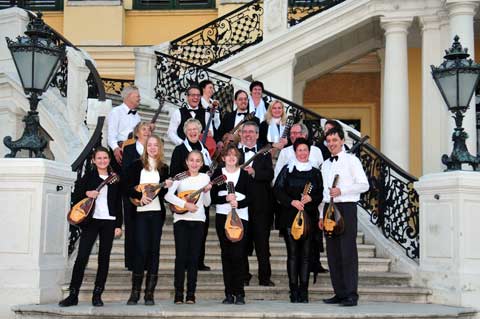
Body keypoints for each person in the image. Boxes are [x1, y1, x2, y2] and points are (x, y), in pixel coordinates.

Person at [59, 147, 122, 307]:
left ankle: (97, 294)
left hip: (109, 220)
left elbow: (117, 202)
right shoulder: (89, 176)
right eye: (99, 158)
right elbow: (76, 194)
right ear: (93, 160)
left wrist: (118, 224)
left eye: (105, 158)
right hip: (91, 221)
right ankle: (73, 295)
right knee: (81, 258)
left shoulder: (114, 178)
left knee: (104, 259)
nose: (102, 161)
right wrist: (87, 193)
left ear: (109, 160)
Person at [320, 126, 369, 307]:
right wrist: (320, 215)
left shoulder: (352, 161)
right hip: (328, 209)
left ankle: (351, 295)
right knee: (333, 253)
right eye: (329, 141)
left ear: (342, 141)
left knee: (347, 252)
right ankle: (339, 293)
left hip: (347, 207)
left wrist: (342, 190)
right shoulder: (325, 165)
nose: (332, 144)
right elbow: (324, 194)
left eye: (335, 140)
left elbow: (364, 185)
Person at [273, 138, 323, 303]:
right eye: (300, 150)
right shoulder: (287, 169)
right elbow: (278, 190)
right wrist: (291, 201)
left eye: (305, 150)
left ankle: (304, 290)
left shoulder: (315, 172)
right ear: (295, 152)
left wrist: (311, 198)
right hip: (289, 216)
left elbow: (320, 194)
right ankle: (293, 290)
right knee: (293, 254)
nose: (303, 153)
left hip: (309, 216)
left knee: (306, 255)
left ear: (309, 152)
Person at [125, 135, 172, 306]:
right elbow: (127, 187)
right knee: (140, 251)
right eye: (149, 145)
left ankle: (149, 294)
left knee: (154, 251)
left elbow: (165, 196)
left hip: (156, 214)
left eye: (156, 145)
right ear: (146, 147)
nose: (152, 148)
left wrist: (168, 187)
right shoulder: (136, 165)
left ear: (159, 148)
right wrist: (140, 196)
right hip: (139, 214)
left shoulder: (164, 168)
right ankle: (135, 292)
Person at [165, 150, 212, 304]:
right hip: (181, 220)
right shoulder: (180, 177)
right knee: (181, 257)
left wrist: (207, 192)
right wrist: (185, 204)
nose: (194, 163)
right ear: (186, 162)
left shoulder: (205, 178)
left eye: (198, 161)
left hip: (198, 221)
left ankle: (191, 294)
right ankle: (179, 294)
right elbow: (168, 196)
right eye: (191, 160)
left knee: (193, 258)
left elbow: (206, 203)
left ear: (202, 163)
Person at [211, 144, 252, 305]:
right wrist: (225, 199)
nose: (231, 157)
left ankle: (239, 293)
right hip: (222, 216)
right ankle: (229, 293)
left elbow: (251, 197)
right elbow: (213, 197)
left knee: (239, 255)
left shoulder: (245, 175)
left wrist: (238, 204)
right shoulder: (218, 174)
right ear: (223, 158)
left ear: (238, 158)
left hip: (241, 218)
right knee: (226, 255)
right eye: (228, 155)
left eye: (234, 155)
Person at [169, 118, 212, 271]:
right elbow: (173, 173)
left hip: (201, 197)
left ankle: (198, 261)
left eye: (196, 129)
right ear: (185, 132)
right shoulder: (179, 150)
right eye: (190, 129)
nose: (193, 132)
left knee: (202, 230)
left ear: (200, 132)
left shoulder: (205, 149)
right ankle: (186, 262)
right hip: (184, 196)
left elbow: (209, 169)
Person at [238, 121, 275, 287]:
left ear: (257, 135)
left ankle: (265, 278)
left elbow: (269, 174)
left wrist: (254, 172)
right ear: (240, 134)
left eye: (251, 132)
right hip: (240, 207)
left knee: (262, 245)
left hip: (261, 207)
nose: (248, 134)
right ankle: (244, 275)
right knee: (242, 243)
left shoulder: (265, 154)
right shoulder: (235, 153)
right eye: (245, 131)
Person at [122, 122, 152, 271]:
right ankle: (131, 261)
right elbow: (126, 172)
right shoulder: (128, 149)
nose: (147, 132)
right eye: (143, 129)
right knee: (132, 228)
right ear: (137, 133)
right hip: (132, 194)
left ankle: (145, 261)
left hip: (148, 195)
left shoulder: (153, 150)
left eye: (149, 130)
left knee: (145, 229)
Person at [107, 85, 142, 171]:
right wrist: (115, 149)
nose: (140, 98)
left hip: (134, 151)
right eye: (137, 96)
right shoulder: (116, 112)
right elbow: (111, 134)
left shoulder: (137, 116)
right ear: (129, 96)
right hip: (121, 150)